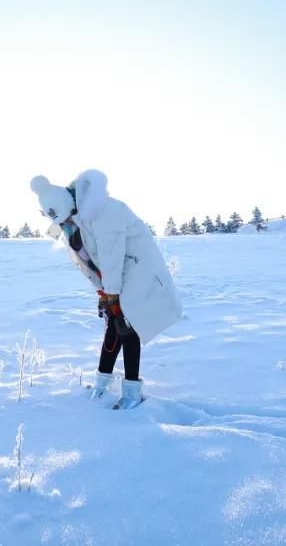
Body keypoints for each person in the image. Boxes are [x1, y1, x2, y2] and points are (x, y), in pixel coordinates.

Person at [31, 169, 184, 409]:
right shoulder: (73, 224)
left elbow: (111, 255)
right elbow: (89, 263)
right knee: (115, 325)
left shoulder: (105, 211)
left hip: (137, 271)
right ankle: (102, 385)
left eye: (64, 219)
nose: (64, 225)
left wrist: (112, 293)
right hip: (115, 277)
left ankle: (132, 394)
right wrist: (103, 291)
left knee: (127, 325)